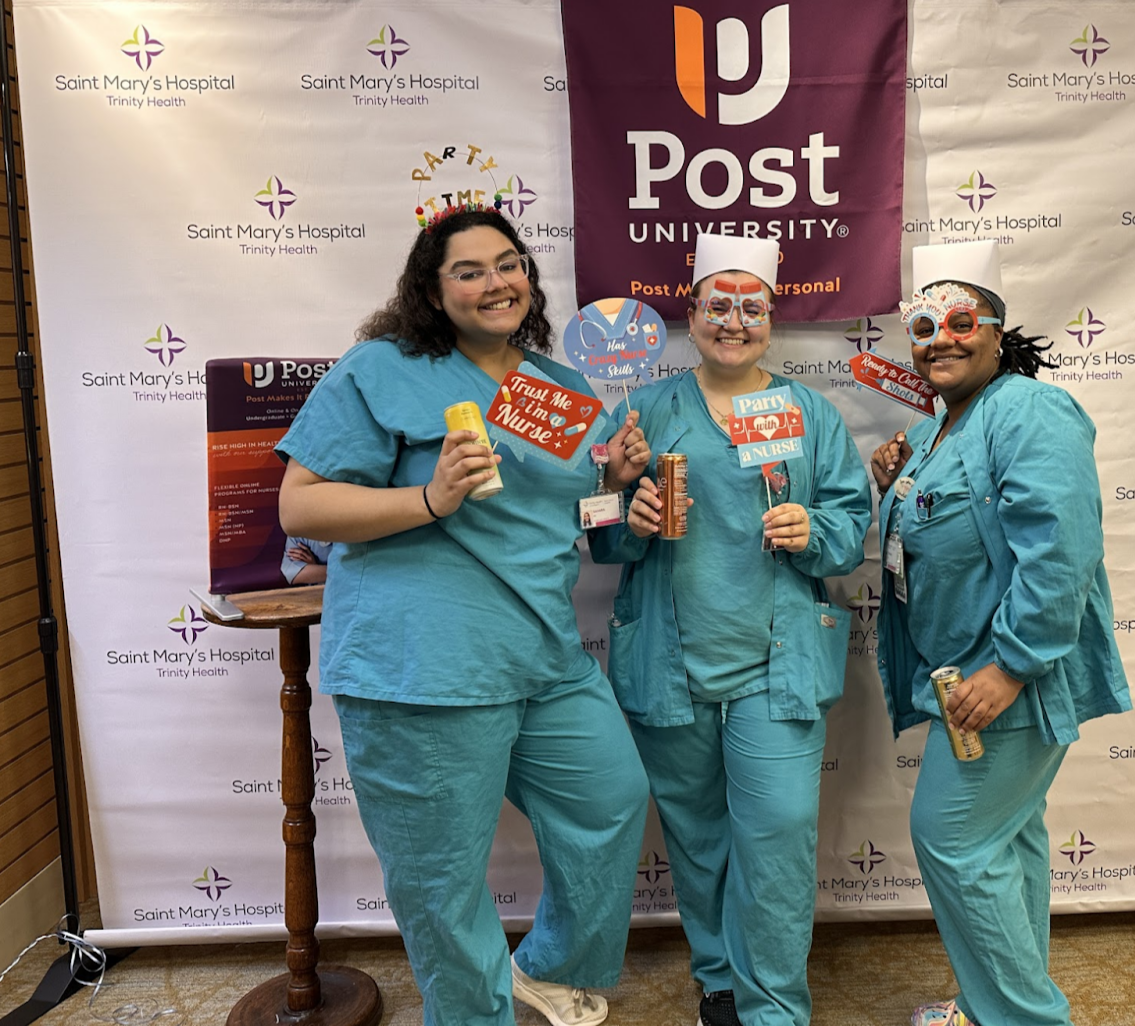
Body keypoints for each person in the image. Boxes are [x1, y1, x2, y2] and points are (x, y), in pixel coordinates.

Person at [276, 201, 652, 1026]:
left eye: (508, 263)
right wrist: (429, 496)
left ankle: (549, 970)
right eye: (469, 270)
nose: (496, 282)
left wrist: (615, 483)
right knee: (442, 884)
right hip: (425, 666)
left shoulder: (558, 386)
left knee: (611, 799)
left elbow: (568, 516)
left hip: (544, 656)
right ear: (431, 289)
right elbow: (300, 508)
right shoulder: (380, 367)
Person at [591, 233, 872, 1026]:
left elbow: (852, 524)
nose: (735, 321)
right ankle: (718, 975)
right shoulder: (643, 411)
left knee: (778, 832)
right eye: (720, 305)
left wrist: (811, 527)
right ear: (692, 314)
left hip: (774, 664)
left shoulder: (805, 413)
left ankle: (774, 1004)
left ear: (772, 320)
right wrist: (628, 512)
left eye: (752, 307)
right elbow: (593, 530)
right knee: (697, 832)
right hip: (668, 660)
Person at [869, 241, 1132, 1026]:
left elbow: (1062, 551)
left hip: (1008, 684)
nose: (939, 338)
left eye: (959, 321)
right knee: (1007, 846)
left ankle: (1021, 1018)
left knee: (952, 841)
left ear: (995, 331)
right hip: (958, 677)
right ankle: (995, 1006)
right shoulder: (936, 429)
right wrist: (892, 483)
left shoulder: (1028, 409)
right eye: (923, 325)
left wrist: (1011, 666)